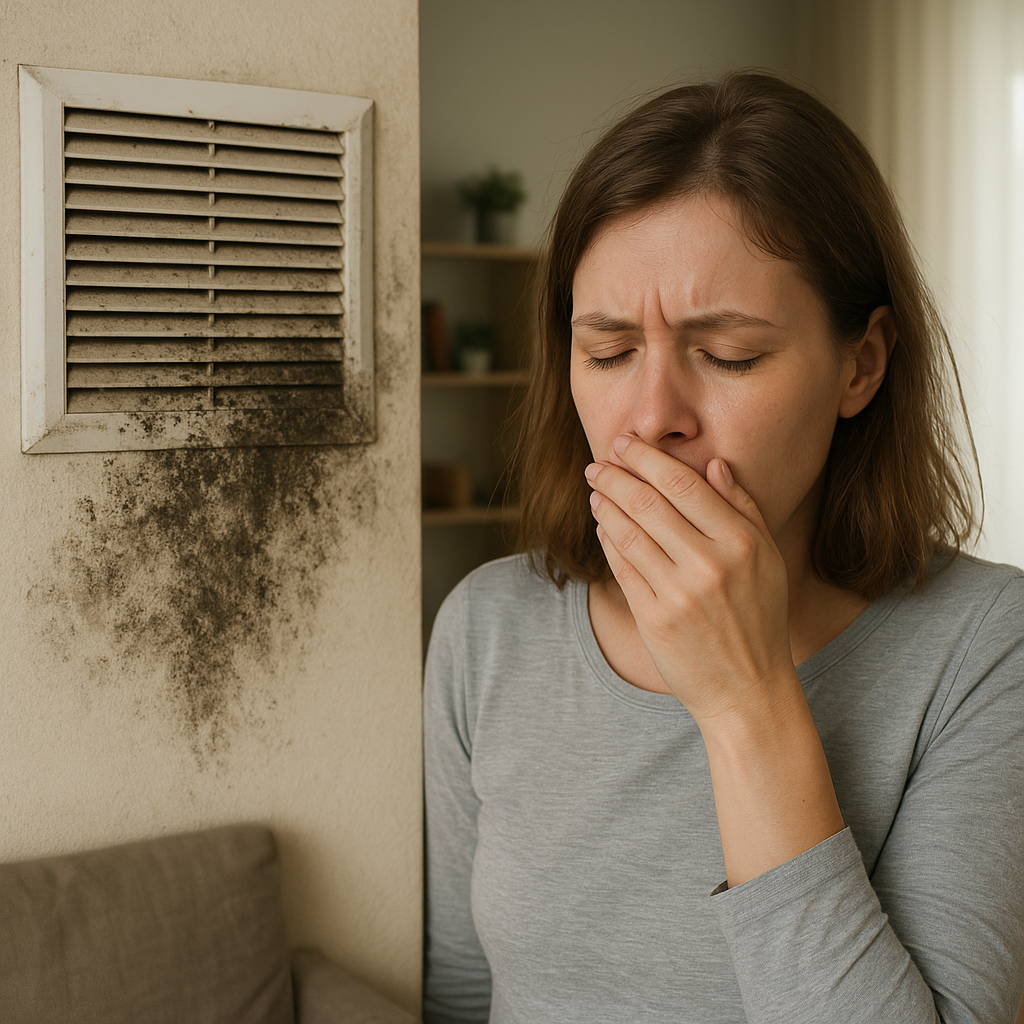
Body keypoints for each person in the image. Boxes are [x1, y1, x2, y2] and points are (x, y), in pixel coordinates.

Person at [423, 72, 1024, 1024]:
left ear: (860, 365)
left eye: (730, 355)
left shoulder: (987, 648)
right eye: (609, 352)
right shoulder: (485, 629)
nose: (652, 418)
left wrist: (746, 704)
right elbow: (461, 993)